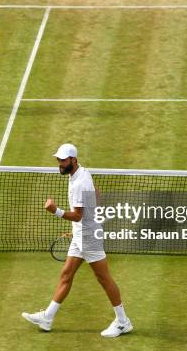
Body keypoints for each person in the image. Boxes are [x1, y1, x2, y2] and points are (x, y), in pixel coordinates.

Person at [22, 143, 133, 338]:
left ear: (73, 160)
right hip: (81, 234)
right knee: (66, 274)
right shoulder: (81, 174)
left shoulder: (79, 182)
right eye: (58, 159)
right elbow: (95, 195)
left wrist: (54, 210)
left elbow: (77, 216)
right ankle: (47, 318)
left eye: (63, 160)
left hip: (88, 238)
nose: (60, 163)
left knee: (104, 278)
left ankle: (123, 322)